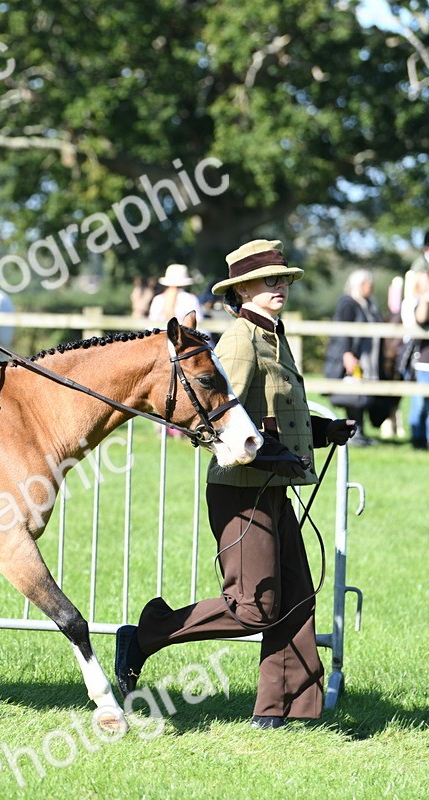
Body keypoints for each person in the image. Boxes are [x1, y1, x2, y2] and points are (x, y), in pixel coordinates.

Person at [114, 239, 356, 730]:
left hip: (271, 486)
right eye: (270, 279)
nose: (279, 286)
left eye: (283, 278)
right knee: (252, 608)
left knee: (295, 598)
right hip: (241, 490)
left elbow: (269, 415)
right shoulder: (240, 342)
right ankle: (146, 636)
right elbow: (216, 422)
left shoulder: (272, 335)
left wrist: (319, 430)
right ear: (242, 288)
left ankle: (281, 710)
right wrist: (271, 453)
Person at [324, 270, 383, 445]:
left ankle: (360, 432)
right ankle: (353, 434)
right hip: (352, 356)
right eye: (367, 284)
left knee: (361, 395)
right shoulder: (348, 303)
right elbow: (343, 329)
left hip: (366, 358)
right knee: (353, 394)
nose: (370, 287)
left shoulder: (369, 304)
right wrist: (347, 353)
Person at [402, 270, 429, 449]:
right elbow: (420, 319)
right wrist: (426, 299)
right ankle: (417, 440)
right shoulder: (417, 303)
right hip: (423, 363)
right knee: (419, 405)